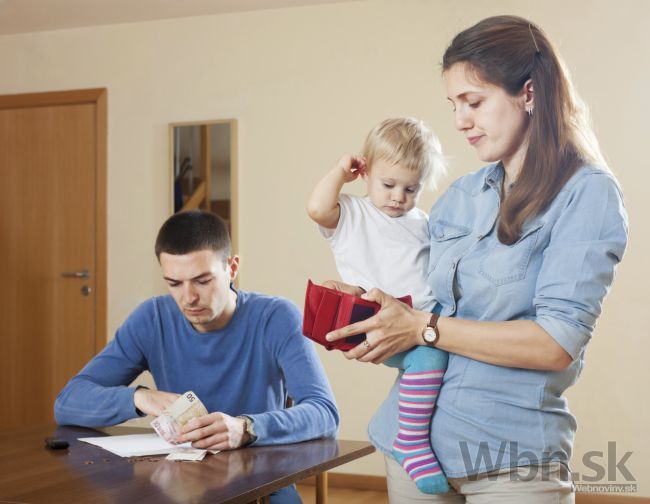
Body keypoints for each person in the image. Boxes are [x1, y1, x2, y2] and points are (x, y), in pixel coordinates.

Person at [325, 16, 628, 503]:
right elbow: (428, 306)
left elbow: (555, 343)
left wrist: (423, 328)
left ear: (528, 93)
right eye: (454, 105)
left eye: (474, 102)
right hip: (411, 445)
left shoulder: (587, 194)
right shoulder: (460, 196)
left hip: (510, 459)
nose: (461, 121)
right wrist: (375, 311)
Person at [55, 210, 339, 504]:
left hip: (261, 481)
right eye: (174, 283)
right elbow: (68, 403)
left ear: (232, 268)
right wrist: (140, 398)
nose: (188, 298)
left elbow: (324, 413)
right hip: (178, 482)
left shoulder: (276, 317)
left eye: (202, 281)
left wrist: (247, 428)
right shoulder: (151, 318)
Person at [307, 117, 449, 494]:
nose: (398, 197)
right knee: (431, 357)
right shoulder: (353, 213)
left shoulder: (421, 223)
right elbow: (318, 209)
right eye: (388, 185)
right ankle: (411, 438)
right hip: (377, 319)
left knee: (450, 341)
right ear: (366, 172)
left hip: (421, 316)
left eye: (411, 189)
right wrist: (340, 173)